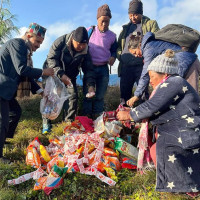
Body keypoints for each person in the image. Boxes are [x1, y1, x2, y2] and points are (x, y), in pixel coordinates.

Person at [117, 49, 200, 197]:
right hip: (184, 127)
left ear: (164, 73)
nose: (151, 80)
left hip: (188, 130)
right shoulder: (172, 83)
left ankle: (186, 186)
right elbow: (159, 110)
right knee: (157, 147)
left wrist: (129, 114)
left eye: (152, 76)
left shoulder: (173, 82)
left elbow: (152, 106)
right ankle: (181, 183)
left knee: (161, 148)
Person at [0, 23, 54, 163]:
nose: (38, 46)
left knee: (15, 112)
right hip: (1, 87)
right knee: (3, 120)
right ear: (29, 36)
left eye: (40, 43)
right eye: (37, 41)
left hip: (6, 89)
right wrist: (43, 72)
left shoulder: (25, 51)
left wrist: (41, 92)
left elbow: (26, 77)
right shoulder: (17, 44)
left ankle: (2, 139)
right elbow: (22, 70)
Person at [42, 26, 95, 134]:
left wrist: (90, 86)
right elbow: (51, 59)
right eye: (78, 44)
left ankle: (68, 123)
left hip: (70, 76)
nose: (80, 47)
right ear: (72, 39)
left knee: (73, 96)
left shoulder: (86, 51)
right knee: (50, 96)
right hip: (52, 72)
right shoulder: (60, 42)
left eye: (83, 44)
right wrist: (61, 74)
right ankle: (46, 123)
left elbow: (88, 70)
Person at [127, 31, 200, 107]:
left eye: (135, 52)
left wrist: (136, 95)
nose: (135, 56)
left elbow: (145, 74)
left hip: (189, 64)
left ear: (139, 45)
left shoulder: (148, 48)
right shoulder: (151, 44)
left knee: (192, 98)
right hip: (184, 63)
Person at [116, 0, 159, 104]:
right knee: (124, 96)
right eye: (130, 15)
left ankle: (144, 118)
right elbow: (118, 47)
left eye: (135, 14)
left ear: (141, 13)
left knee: (143, 94)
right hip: (125, 67)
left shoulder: (150, 24)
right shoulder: (125, 28)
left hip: (141, 66)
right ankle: (123, 117)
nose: (133, 17)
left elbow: (157, 40)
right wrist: (120, 56)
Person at [82, 4, 118, 120]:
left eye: (107, 21)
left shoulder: (112, 36)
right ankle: (86, 118)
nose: (104, 24)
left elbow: (114, 50)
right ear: (97, 20)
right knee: (88, 94)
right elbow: (82, 46)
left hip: (103, 68)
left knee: (100, 95)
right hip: (89, 67)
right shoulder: (90, 31)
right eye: (102, 21)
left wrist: (113, 57)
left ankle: (97, 118)